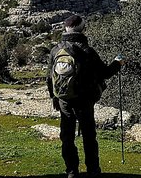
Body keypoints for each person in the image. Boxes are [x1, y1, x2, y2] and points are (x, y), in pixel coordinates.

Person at [47, 15, 124, 178]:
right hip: (83, 100)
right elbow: (105, 73)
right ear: (82, 29)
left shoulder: (56, 49)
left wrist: (54, 97)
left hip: (63, 99)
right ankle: (93, 170)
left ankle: (71, 171)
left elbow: (49, 77)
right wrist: (118, 63)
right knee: (89, 136)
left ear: (65, 29)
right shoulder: (86, 50)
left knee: (67, 136)